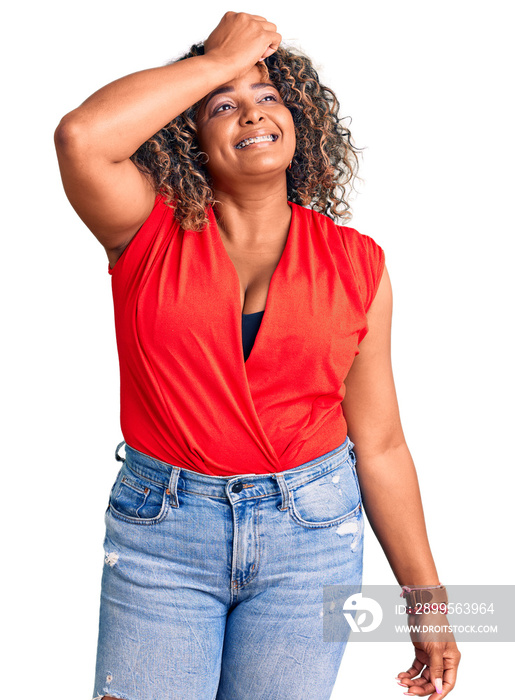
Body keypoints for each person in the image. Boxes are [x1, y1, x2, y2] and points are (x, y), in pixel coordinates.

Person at [54, 11, 461, 700]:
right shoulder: (143, 230)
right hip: (162, 537)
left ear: (298, 121)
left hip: (312, 536)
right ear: (190, 132)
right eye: (223, 105)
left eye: (268, 96)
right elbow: (82, 136)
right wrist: (220, 60)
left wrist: (427, 601)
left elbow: (382, 444)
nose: (252, 112)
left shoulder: (356, 264)